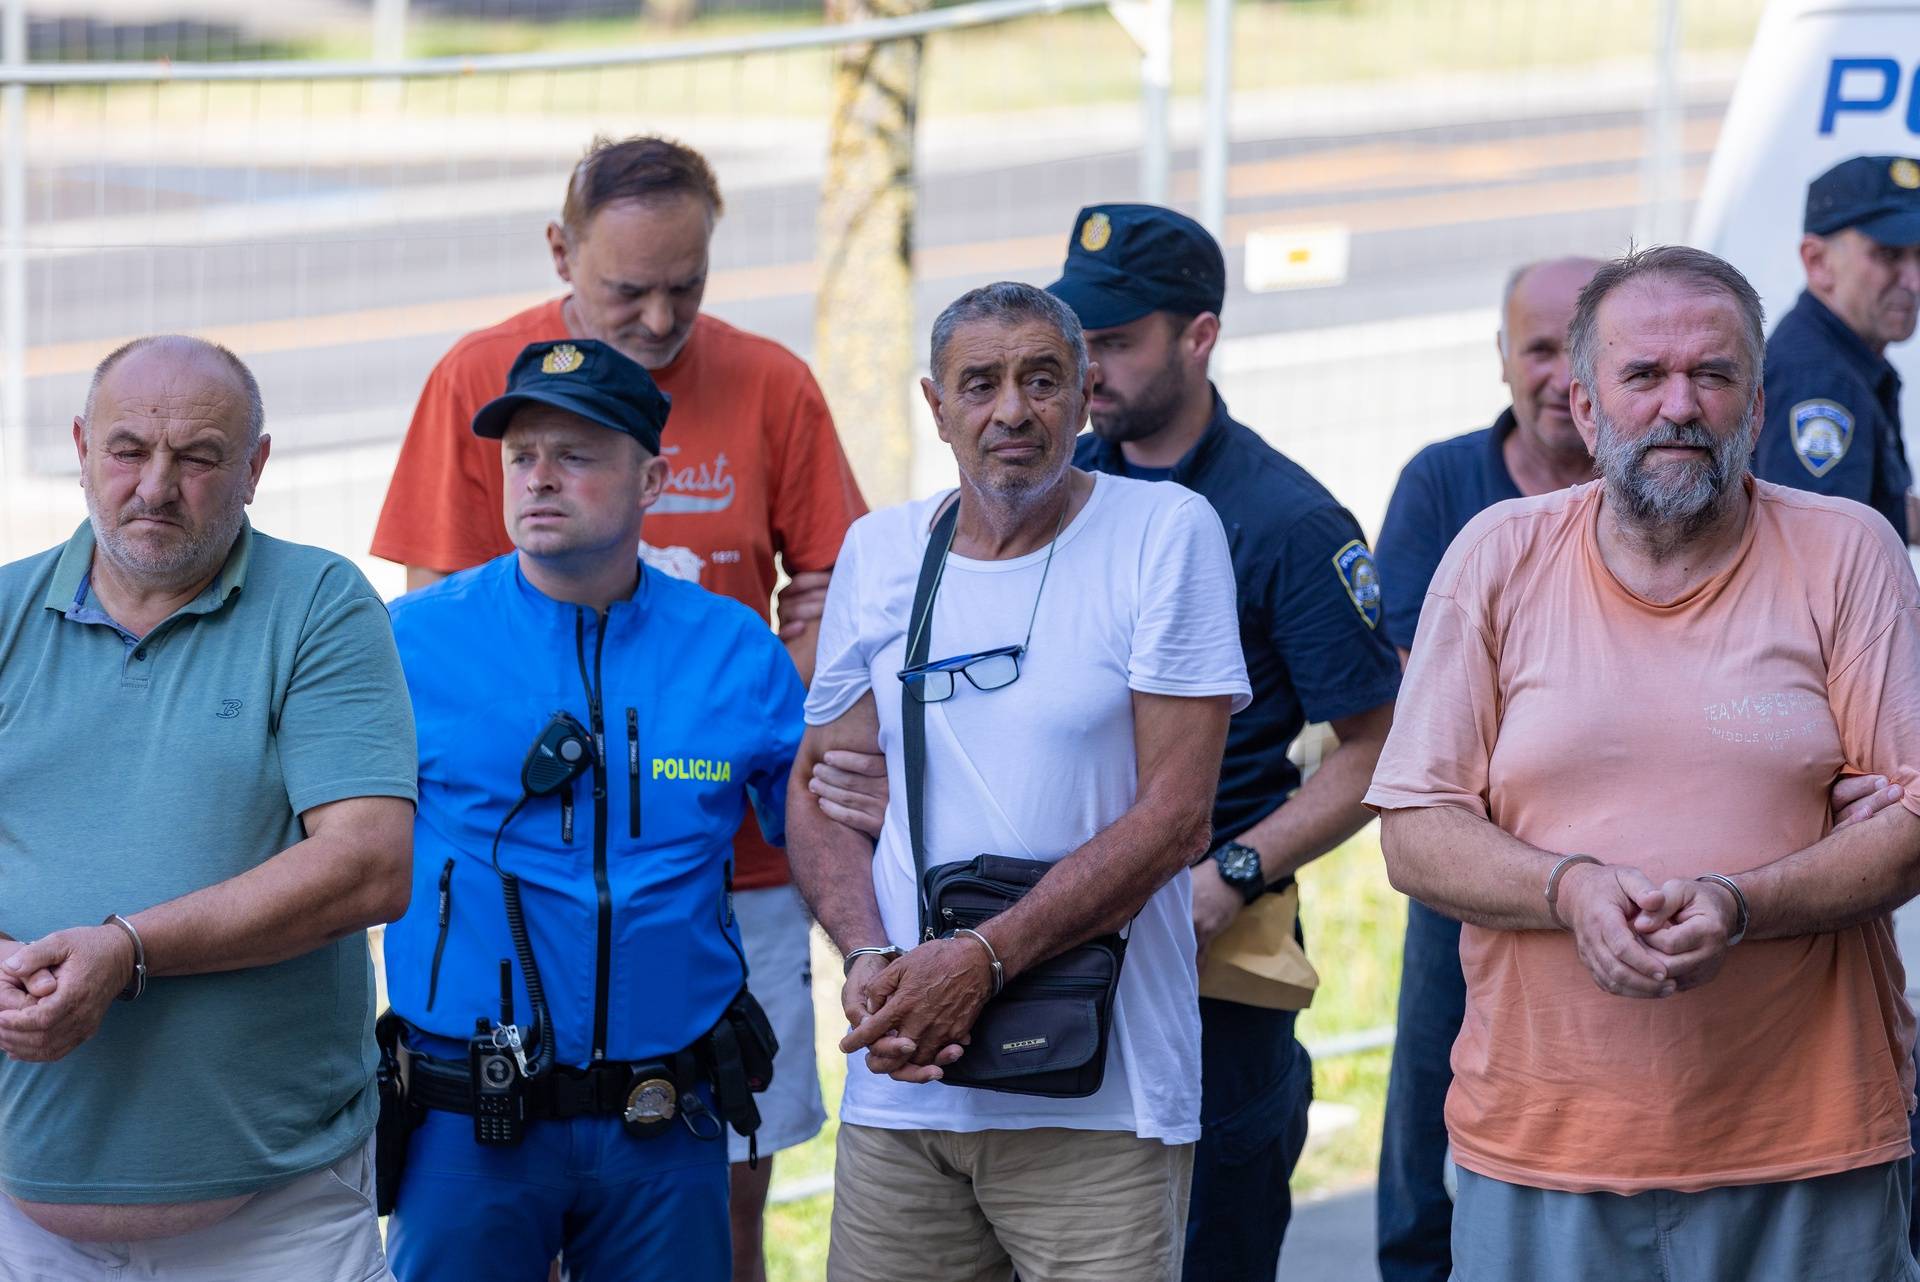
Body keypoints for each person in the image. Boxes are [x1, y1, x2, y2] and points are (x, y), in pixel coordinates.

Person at [1368, 245, 1920, 1282]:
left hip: (1809, 1142)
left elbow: (1914, 823)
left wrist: (1740, 901)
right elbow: (1416, 832)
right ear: (1585, 406)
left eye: (1713, 376)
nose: (1680, 404)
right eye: (1644, 376)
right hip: (1546, 1146)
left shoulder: (1848, 553)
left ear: (1755, 408)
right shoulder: (1496, 556)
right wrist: (1568, 889)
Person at [370, 134, 861, 1277]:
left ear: (652, 471)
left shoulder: (734, 635)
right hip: (481, 1048)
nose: (656, 316)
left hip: (702, 908)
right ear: (562, 252)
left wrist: (794, 739)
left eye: (683, 287)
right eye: (626, 289)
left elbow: (831, 615)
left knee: (737, 1191)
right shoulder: (426, 627)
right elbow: (369, 770)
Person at [787, 282, 1249, 1282]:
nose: (1013, 410)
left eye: (1044, 380)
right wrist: (867, 952)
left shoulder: (1164, 535)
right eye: (982, 383)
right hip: (908, 1083)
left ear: (1085, 397)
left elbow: (1176, 819)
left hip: (1102, 1095)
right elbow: (818, 787)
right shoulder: (881, 552)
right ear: (935, 404)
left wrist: (983, 960)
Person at [0, 335, 418, 1281]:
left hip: (278, 1216)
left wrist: (128, 949)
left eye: (197, 457)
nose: (154, 485)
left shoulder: (317, 603)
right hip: (22, 1213)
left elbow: (368, 862)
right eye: (127, 450)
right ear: (79, 448)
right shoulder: (6, 609)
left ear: (255, 466)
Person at [1049, 203, 1399, 1279]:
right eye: (1077, 341)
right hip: (1054, 951)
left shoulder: (1285, 519)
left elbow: (1379, 749)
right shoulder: (1055, 489)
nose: (1086, 369)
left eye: (1114, 343)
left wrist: (1235, 871)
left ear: (1198, 337)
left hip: (1210, 974)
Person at [1753, 154, 1920, 543]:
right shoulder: (1819, 381)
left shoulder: (1839, 356)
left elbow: (1877, 510)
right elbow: (1820, 555)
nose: (1913, 281)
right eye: (1888, 255)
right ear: (1817, 262)